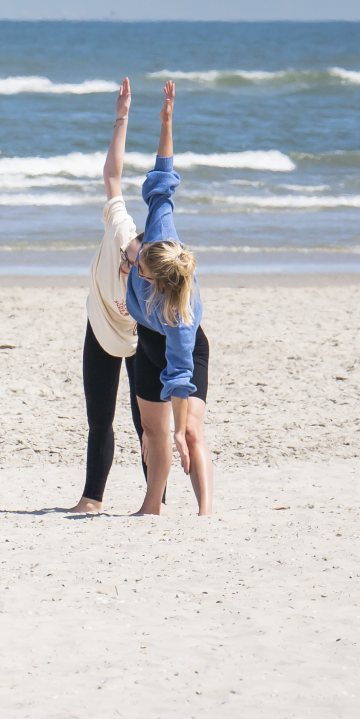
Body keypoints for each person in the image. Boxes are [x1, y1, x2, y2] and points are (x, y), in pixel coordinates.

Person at [128, 80, 214, 516]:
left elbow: (180, 376)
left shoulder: (179, 318)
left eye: (139, 263)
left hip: (180, 350)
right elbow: (163, 182)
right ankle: (151, 508)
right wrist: (166, 123)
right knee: (150, 430)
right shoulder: (161, 238)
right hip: (147, 342)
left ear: (156, 282)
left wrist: (180, 429)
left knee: (189, 434)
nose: (135, 258)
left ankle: (205, 514)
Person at [69, 77, 150, 513]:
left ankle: (153, 499)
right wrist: (122, 117)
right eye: (127, 255)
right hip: (100, 328)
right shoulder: (121, 229)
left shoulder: (153, 293)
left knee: (146, 423)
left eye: (132, 266)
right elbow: (113, 174)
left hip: (140, 339)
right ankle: (91, 499)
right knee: (99, 418)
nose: (125, 263)